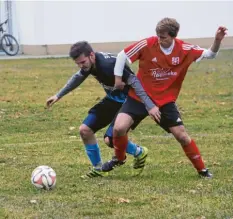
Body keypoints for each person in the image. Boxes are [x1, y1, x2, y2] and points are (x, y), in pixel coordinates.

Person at [102, 17, 227, 178]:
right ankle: (119, 159)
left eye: (163, 37)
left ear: (173, 36)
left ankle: (202, 170)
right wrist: (118, 79)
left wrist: (217, 40)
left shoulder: (184, 49)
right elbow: (121, 56)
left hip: (164, 101)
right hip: (139, 98)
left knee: (181, 135)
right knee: (119, 128)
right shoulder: (148, 43)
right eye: (158, 36)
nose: (159, 40)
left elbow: (210, 54)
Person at [46, 41, 158, 178]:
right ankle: (98, 168)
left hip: (129, 102)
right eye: (78, 64)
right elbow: (78, 77)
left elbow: (135, 81)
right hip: (112, 100)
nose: (81, 66)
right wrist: (58, 95)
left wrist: (149, 105)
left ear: (91, 55)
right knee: (85, 130)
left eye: (82, 62)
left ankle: (139, 152)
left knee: (110, 140)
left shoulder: (108, 65)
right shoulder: (90, 65)